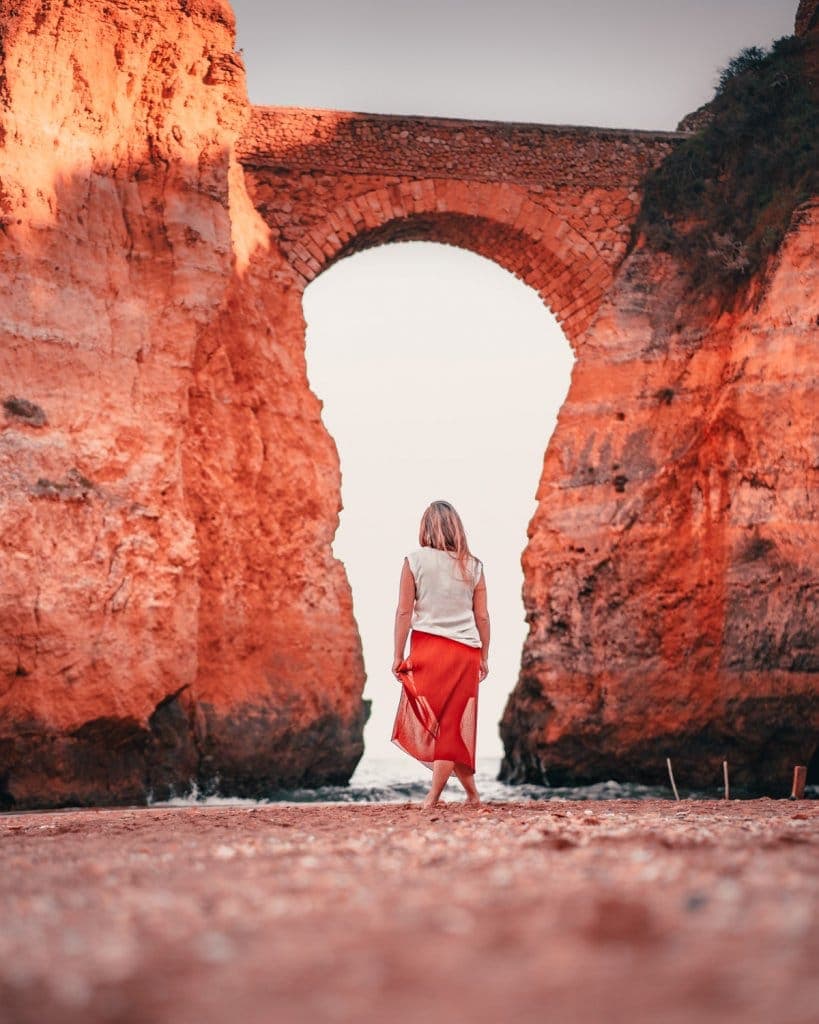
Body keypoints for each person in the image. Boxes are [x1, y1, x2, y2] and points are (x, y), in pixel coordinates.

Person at [391, 500, 490, 809]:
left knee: (446, 726)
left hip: (427, 652)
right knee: (450, 725)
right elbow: (482, 616)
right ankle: (470, 795)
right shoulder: (473, 565)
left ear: (425, 527)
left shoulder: (414, 560)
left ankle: (434, 798)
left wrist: (397, 655)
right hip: (465, 653)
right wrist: (485, 655)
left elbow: (404, 611)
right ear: (456, 528)